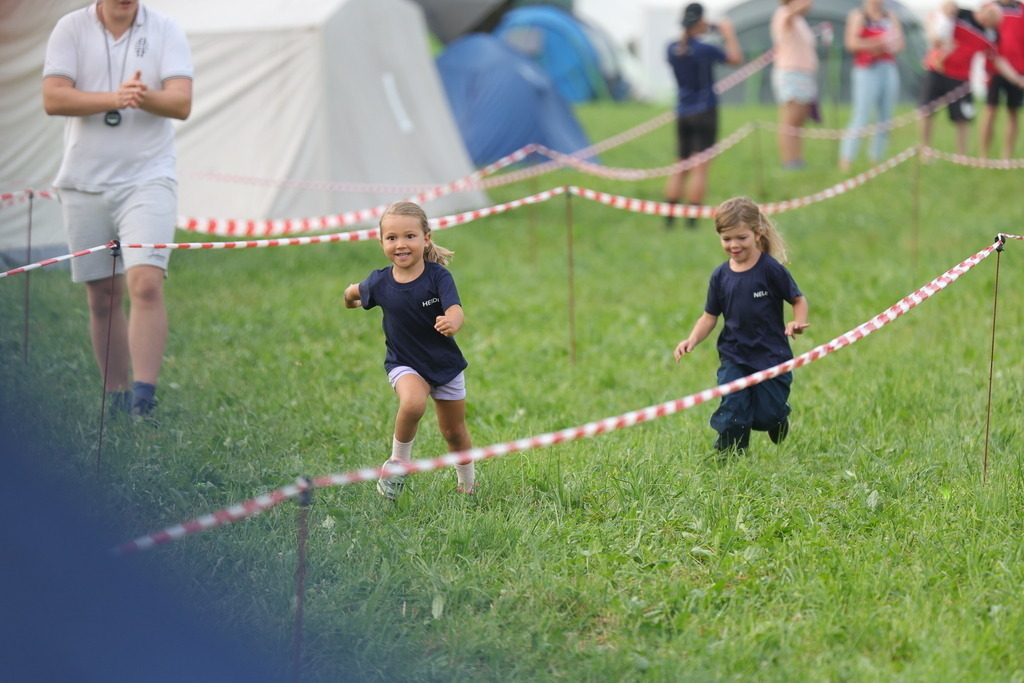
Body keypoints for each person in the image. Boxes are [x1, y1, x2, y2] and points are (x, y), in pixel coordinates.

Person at [43, 0, 193, 420]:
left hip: (149, 177)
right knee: (102, 296)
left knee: (145, 283)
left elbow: (181, 103)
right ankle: (116, 397)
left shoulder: (166, 28)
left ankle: (143, 400)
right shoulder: (69, 28)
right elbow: (53, 98)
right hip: (83, 181)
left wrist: (141, 97)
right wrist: (115, 97)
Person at [344, 202, 475, 499]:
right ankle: (396, 466)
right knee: (414, 403)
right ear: (381, 243)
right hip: (404, 364)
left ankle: (468, 486)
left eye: (409, 236)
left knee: (453, 432)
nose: (400, 244)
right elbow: (353, 291)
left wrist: (451, 322)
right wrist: (349, 298)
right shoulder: (378, 282)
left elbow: (455, 308)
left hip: (445, 365)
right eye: (391, 238)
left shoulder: (438, 277)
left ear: (426, 238)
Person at [674, 196, 809, 453]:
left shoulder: (771, 270)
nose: (733, 245)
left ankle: (779, 417)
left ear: (757, 234)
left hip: (771, 355)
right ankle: (728, 455)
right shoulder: (720, 276)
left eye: (741, 238)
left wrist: (797, 323)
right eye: (727, 239)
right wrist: (691, 339)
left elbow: (797, 299)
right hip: (734, 356)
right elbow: (709, 316)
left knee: (765, 416)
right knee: (734, 409)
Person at [663, 2, 743, 229]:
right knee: (701, 168)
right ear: (700, 22)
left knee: (680, 166)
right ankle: (691, 222)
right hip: (705, 112)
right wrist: (726, 32)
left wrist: (703, 29)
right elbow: (735, 58)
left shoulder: (671, 48)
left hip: (683, 111)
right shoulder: (706, 50)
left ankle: (669, 218)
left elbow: (687, 44)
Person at [919, 1, 1024, 156]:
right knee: (927, 111)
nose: (986, 24)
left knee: (963, 117)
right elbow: (933, 17)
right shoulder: (959, 14)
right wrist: (934, 36)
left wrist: (1016, 79)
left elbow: (998, 59)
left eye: (992, 23)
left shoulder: (991, 34)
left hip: (961, 77)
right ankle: (925, 151)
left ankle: (961, 156)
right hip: (938, 69)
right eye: (987, 19)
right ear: (982, 11)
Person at [839, 0, 905, 172]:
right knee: (862, 115)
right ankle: (847, 159)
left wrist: (886, 45)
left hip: (887, 67)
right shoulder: (859, 15)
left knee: (885, 117)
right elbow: (852, 43)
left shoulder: (890, 16)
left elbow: (900, 44)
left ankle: (876, 160)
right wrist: (878, 43)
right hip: (866, 69)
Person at [770, 0, 819, 170]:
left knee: (799, 122)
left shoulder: (800, 20)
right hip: (791, 73)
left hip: (804, 74)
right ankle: (789, 162)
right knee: (789, 122)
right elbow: (801, 7)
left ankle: (797, 159)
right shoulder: (783, 13)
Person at [980, 0, 1024, 159]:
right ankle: (983, 155)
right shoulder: (989, 8)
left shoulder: (1021, 9)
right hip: (995, 69)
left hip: (1019, 70)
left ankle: (1006, 157)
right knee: (991, 110)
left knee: (1013, 112)